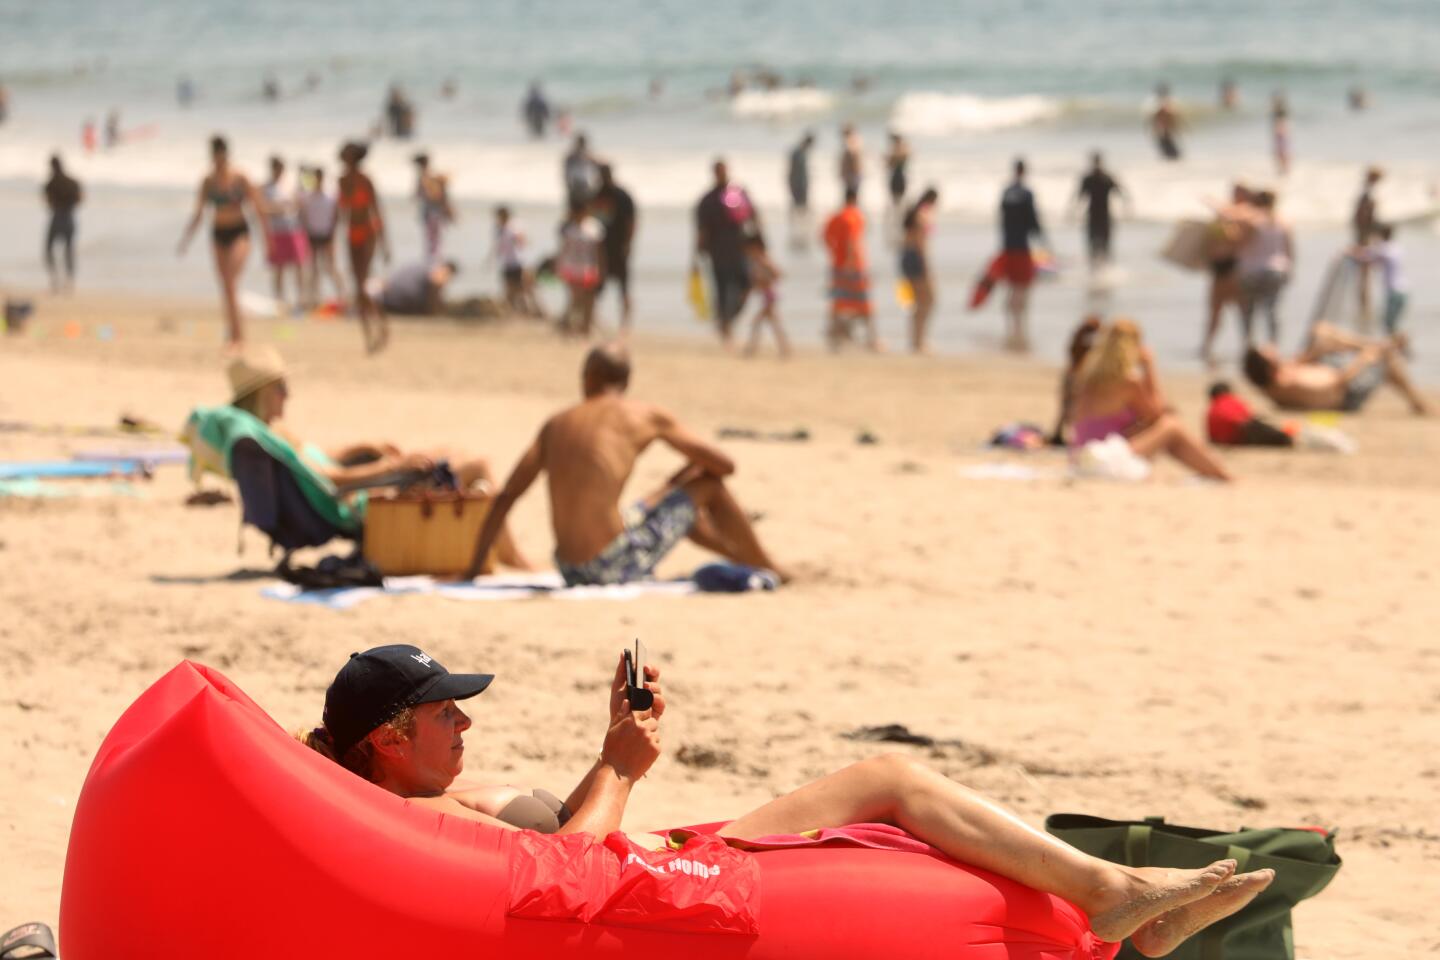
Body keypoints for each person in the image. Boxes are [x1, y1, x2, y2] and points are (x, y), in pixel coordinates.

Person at [300, 641, 1274, 960]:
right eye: (445, 716)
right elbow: (563, 877)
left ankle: (1121, 906)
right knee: (887, 783)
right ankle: (1112, 901)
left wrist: (616, 755)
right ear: (388, 737)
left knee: (882, 787)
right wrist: (625, 769)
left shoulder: (432, 798)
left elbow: (557, 841)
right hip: (641, 885)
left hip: (648, 858)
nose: (463, 728)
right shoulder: (411, 822)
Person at [464, 343, 790, 584]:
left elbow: (506, 497)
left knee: (674, 495)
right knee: (707, 484)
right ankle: (766, 565)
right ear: (625, 381)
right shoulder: (644, 415)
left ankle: (742, 557)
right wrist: (691, 472)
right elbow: (725, 466)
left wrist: (474, 568)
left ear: (588, 378)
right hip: (610, 565)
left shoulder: (556, 423)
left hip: (570, 568)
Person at [228, 346, 532, 568]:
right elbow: (330, 479)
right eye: (281, 387)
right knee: (480, 465)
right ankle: (512, 556)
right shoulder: (272, 441)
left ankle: (506, 552)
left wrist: (364, 445)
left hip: (359, 492)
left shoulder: (273, 434)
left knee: (452, 453)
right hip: (364, 502)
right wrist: (391, 466)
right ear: (262, 394)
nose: (288, 393)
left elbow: (322, 460)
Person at [1070, 319, 1232, 481]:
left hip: (1081, 455)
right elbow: (1157, 412)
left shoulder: (1088, 378)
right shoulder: (1128, 382)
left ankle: (1213, 471)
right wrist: (1150, 366)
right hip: (1103, 456)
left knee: (1165, 427)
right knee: (1171, 425)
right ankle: (1220, 473)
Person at [178, 135, 267, 346]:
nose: (217, 160)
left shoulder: (240, 178)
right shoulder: (208, 181)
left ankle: (238, 336)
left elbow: (258, 208)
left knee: (231, 282)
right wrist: (186, 240)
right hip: (218, 233)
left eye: (220, 156)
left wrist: (267, 240)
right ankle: (234, 333)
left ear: (225, 155)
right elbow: (199, 213)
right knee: (226, 286)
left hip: (239, 232)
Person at [1242, 323, 1427, 415]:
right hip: (1348, 394)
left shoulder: (1278, 377)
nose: (1271, 348)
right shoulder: (1289, 382)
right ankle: (1418, 403)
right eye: (1267, 352)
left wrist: (1322, 346)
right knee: (1387, 360)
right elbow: (1339, 382)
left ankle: (1381, 344)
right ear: (1267, 367)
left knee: (1322, 330)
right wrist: (1364, 358)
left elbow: (1301, 361)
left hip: (1336, 378)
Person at [694, 160, 757, 347]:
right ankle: (725, 328)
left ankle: (727, 320)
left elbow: (753, 218)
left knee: (746, 285)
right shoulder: (708, 200)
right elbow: (702, 230)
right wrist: (699, 252)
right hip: (718, 252)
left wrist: (759, 247)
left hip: (740, 250)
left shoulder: (739, 194)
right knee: (721, 291)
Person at [337, 141, 390, 353]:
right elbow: (341, 212)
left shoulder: (365, 179)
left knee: (362, 282)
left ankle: (375, 330)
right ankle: (373, 332)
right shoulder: (341, 180)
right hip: (352, 233)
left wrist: (385, 242)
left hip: (368, 232)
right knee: (358, 284)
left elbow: (376, 209)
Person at [998, 158, 1047, 351]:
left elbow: (1001, 219)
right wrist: (1043, 241)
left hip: (1008, 246)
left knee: (1012, 285)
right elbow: (1033, 220)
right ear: (1024, 171)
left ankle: (1011, 325)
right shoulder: (1027, 193)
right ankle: (1019, 327)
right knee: (1024, 287)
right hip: (1022, 247)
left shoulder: (1006, 192)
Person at [1233, 190, 1293, 345]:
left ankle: (1248, 346)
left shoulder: (1251, 220)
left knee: (1248, 311)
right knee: (1271, 311)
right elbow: (1289, 250)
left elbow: (1240, 244)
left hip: (1250, 270)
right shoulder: (1283, 222)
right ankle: (1273, 346)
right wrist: (1290, 271)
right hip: (1277, 269)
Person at [823, 188, 879, 352]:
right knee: (865, 304)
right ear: (855, 199)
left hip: (838, 265)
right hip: (854, 265)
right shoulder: (854, 217)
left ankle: (835, 337)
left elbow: (824, 237)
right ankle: (871, 340)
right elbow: (852, 241)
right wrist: (850, 261)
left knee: (839, 303)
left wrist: (835, 253)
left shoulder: (835, 217)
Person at [1201, 184, 1251, 365]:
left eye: (1239, 191)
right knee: (1215, 311)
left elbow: (1238, 239)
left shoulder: (1245, 215)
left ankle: (1247, 346)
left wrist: (1221, 213)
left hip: (1234, 270)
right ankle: (1206, 346)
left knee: (1242, 311)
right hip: (1219, 269)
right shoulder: (1228, 214)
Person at [590, 164, 637, 329]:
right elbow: (590, 221)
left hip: (618, 248)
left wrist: (628, 243)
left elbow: (631, 222)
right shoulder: (596, 195)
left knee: (623, 288)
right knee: (597, 287)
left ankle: (625, 325)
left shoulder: (621, 196)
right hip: (601, 249)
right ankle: (594, 320)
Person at [261, 156, 310, 312]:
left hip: (293, 230)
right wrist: (279, 208)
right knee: (279, 267)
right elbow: (263, 209)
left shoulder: (289, 186)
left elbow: (299, 203)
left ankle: (301, 298)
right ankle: (279, 299)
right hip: (276, 232)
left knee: (299, 265)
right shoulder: (265, 187)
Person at [1048, 315, 1102, 446]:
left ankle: (1059, 433)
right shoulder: (1092, 352)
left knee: (1066, 405)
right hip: (1081, 380)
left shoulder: (1077, 343)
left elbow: (1064, 404)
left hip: (1071, 377)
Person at [297, 167, 345, 309]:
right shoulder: (307, 197)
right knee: (312, 269)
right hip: (312, 235)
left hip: (326, 235)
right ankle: (314, 298)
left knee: (330, 267)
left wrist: (333, 236)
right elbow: (302, 216)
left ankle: (342, 295)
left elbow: (336, 218)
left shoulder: (330, 197)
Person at [556, 200, 605, 337]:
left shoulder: (594, 227)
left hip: (589, 267)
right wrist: (559, 266)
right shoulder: (568, 229)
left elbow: (598, 251)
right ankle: (570, 327)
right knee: (575, 299)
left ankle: (585, 328)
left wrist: (601, 267)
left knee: (589, 299)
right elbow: (563, 249)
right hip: (572, 268)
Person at [900, 187, 938, 354]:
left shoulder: (914, 212)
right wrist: (926, 265)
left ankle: (916, 340)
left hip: (906, 258)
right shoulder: (922, 215)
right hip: (916, 258)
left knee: (917, 302)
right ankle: (919, 341)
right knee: (929, 300)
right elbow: (920, 242)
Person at [1350, 223, 1407, 335]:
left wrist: (1351, 252)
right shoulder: (1396, 247)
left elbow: (1367, 255)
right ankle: (1396, 345)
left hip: (1395, 292)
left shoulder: (1385, 249)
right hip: (1402, 290)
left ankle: (1396, 346)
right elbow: (1374, 258)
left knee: (1388, 323)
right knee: (1390, 324)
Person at [1074, 152, 1127, 271]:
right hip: (1097, 216)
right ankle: (1098, 272)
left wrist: (1126, 206)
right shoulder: (1096, 178)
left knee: (1103, 246)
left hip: (1101, 217)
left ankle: (1103, 272)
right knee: (1096, 246)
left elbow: (1120, 192)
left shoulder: (1101, 178)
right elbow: (1079, 196)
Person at [1205, 382, 1295, 447]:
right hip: (1240, 431)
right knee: (1261, 427)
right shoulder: (1230, 399)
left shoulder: (1211, 410)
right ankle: (1285, 437)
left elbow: (1210, 436)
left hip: (1226, 439)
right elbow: (1248, 417)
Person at [741, 235, 788, 359]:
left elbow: (778, 273)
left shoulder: (763, 260)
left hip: (769, 296)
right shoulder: (757, 262)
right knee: (773, 324)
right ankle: (784, 349)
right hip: (767, 296)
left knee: (757, 323)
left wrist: (767, 281)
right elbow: (755, 283)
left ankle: (751, 349)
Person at [490, 206, 542, 318]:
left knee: (527, 289)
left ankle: (536, 312)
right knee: (511, 290)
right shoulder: (499, 229)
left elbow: (523, 240)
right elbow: (498, 246)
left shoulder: (513, 227)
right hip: (508, 263)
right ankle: (519, 313)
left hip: (519, 262)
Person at [42, 155, 83, 293]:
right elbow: (80, 199)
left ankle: (55, 278)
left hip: (57, 216)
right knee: (69, 250)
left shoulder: (50, 184)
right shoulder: (72, 182)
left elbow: (47, 202)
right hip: (70, 217)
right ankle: (69, 280)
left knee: (48, 248)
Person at [1352, 167, 1383, 322]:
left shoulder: (1365, 192)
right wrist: (1371, 234)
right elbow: (1364, 217)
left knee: (1365, 272)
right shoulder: (1368, 194)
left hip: (1363, 235)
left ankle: (1364, 302)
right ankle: (1364, 304)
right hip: (1365, 236)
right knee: (1365, 272)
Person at [376, 260, 457, 316]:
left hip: (389, 298)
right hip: (396, 300)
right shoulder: (434, 271)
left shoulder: (426, 266)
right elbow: (435, 280)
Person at [413, 153, 454, 262]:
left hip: (431, 212)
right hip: (433, 212)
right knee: (435, 239)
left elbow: (431, 195)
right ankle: (434, 261)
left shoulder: (426, 177)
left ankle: (433, 262)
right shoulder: (431, 176)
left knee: (432, 239)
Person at [786, 132, 814, 250]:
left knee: (803, 207)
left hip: (802, 183)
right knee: (797, 206)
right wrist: (790, 184)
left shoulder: (802, 152)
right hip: (797, 184)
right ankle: (796, 228)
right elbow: (791, 170)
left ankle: (802, 227)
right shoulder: (797, 152)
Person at [563, 134, 599, 207]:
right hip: (576, 183)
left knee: (585, 205)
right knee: (575, 206)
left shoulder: (587, 155)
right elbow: (567, 171)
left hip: (584, 183)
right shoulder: (572, 156)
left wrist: (595, 183)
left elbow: (596, 169)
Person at [1149, 84, 1182, 161]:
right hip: (1164, 130)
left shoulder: (1158, 103)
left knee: (1169, 151)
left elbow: (1154, 118)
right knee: (1171, 151)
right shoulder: (1164, 104)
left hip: (1163, 130)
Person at [885, 131, 910, 219]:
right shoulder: (902, 149)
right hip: (898, 176)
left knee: (898, 199)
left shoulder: (901, 149)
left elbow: (890, 163)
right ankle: (898, 216)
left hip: (899, 176)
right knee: (897, 199)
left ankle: (900, 217)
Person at [838, 124, 863, 197]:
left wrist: (854, 171)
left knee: (851, 196)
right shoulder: (856, 140)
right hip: (853, 174)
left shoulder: (851, 140)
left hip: (852, 175)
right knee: (852, 195)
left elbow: (854, 156)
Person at [1270, 93, 1291, 177]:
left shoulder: (1280, 112)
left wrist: (1279, 132)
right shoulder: (1279, 111)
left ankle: (1285, 169)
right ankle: (1284, 169)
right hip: (1280, 135)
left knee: (1282, 152)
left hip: (1281, 135)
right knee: (1281, 152)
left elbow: (1282, 124)